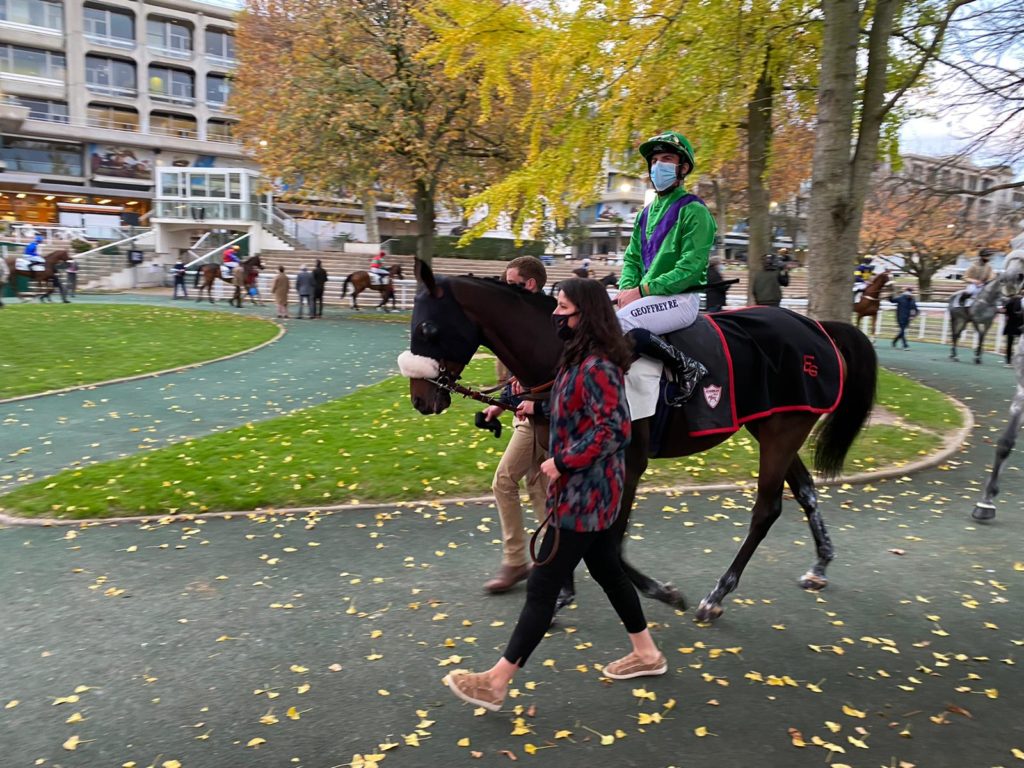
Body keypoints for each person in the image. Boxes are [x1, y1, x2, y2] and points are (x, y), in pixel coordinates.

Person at [445, 278, 667, 713]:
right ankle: (646, 654)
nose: (555, 315)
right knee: (607, 570)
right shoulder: (578, 358)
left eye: (562, 308)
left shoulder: (599, 365)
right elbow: (579, 409)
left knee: (543, 583)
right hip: (591, 494)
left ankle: (495, 682)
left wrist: (563, 463)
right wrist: (538, 408)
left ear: (584, 313)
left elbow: (614, 430)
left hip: (585, 496)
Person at [617, 130, 717, 405]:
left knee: (620, 321)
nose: (658, 165)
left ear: (683, 167)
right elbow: (632, 258)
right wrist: (628, 288)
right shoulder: (644, 213)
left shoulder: (695, 211)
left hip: (680, 298)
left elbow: (691, 268)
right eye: (655, 160)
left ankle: (688, 366)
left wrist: (641, 290)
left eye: (667, 159)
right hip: (647, 295)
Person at [480, 256, 550, 594]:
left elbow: (552, 376)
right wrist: (502, 405)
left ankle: (517, 560)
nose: (505, 289)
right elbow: (522, 378)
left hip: (542, 419)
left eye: (512, 283)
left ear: (530, 284)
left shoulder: (545, 321)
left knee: (505, 481)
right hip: (534, 417)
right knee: (538, 487)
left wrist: (530, 401)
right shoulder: (526, 319)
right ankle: (551, 557)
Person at [1003, 290, 1023, 365]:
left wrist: (1007, 316)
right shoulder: (1014, 300)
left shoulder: (1012, 300)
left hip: (1011, 324)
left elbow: (1006, 310)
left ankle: (1008, 361)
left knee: (1010, 343)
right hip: (1019, 325)